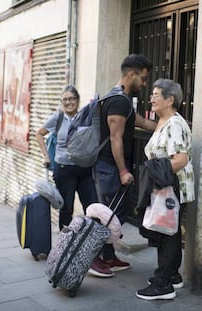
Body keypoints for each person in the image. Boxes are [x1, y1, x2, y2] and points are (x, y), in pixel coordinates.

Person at [89, 54, 157, 277]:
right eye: (143, 79)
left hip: (110, 167)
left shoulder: (121, 100)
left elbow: (142, 122)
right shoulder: (118, 100)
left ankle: (108, 257)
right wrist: (123, 171)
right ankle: (94, 259)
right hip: (110, 167)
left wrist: (168, 124)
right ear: (131, 74)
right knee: (108, 216)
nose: (144, 84)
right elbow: (115, 138)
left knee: (114, 213)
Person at [135, 79, 195, 300]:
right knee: (170, 230)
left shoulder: (175, 124)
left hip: (171, 186)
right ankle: (172, 276)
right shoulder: (164, 121)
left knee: (168, 233)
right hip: (164, 186)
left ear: (170, 100)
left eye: (156, 94)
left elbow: (180, 159)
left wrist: (154, 171)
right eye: (151, 94)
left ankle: (163, 285)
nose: (151, 98)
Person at [35, 85, 98, 230]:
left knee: (92, 207)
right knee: (66, 209)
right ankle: (64, 248)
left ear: (78, 100)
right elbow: (39, 134)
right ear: (61, 102)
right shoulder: (57, 118)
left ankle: (91, 246)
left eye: (72, 99)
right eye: (65, 100)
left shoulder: (85, 117)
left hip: (85, 169)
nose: (69, 102)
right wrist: (46, 156)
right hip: (64, 169)